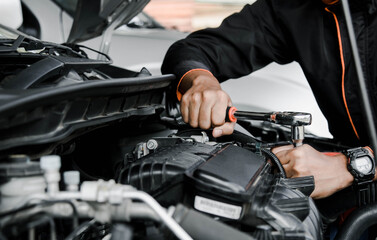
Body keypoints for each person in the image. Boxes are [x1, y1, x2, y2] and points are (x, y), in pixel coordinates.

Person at [161, 0, 377, 200]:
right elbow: (191, 50)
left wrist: (350, 166)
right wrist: (200, 80)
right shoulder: (292, 6)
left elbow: (349, 167)